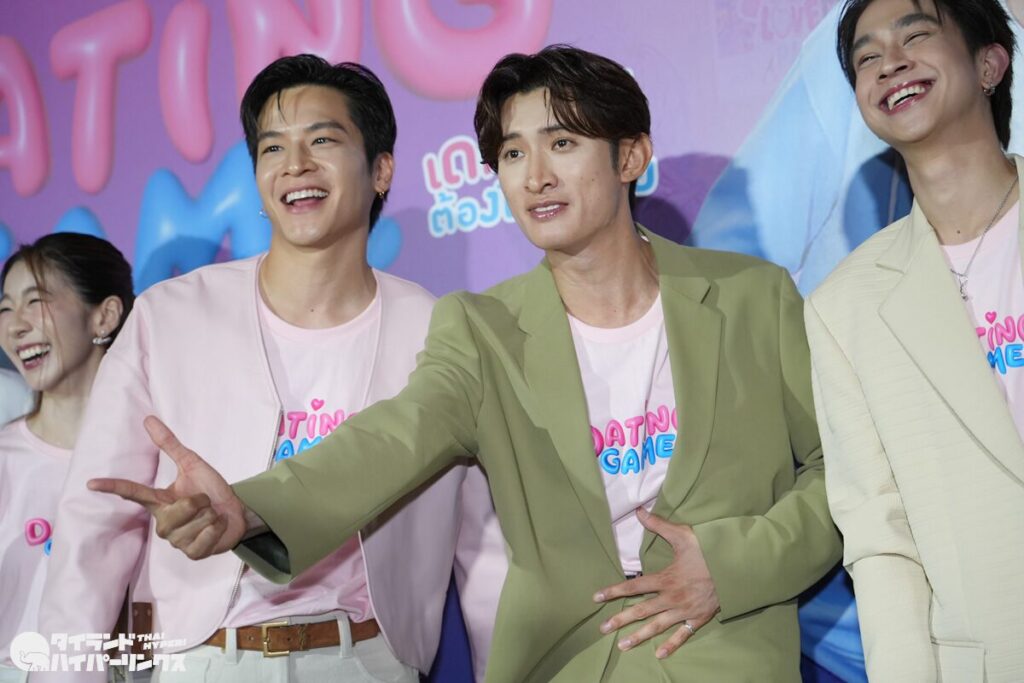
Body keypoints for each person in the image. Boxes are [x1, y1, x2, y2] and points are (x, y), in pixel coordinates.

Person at [93, 45, 842, 682]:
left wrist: (732, 565)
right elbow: (390, 438)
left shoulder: (753, 298)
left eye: (562, 143)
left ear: (631, 156)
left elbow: (837, 471)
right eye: (512, 154)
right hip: (565, 662)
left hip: (724, 653)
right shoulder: (483, 328)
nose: (535, 175)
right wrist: (253, 507)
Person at [37, 55, 496, 683]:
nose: (295, 164)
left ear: (381, 169)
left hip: (367, 661)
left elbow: (485, 546)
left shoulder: (437, 328)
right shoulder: (171, 315)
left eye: (323, 140)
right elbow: (94, 524)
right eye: (273, 147)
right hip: (202, 661)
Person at [804, 0, 1024, 680]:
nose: (889, 64)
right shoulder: (846, 304)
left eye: (916, 36)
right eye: (866, 57)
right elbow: (881, 538)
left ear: (990, 63)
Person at [0, 233, 134, 682]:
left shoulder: (153, 459)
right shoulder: (6, 459)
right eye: (4, 308)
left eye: (35, 302)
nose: (14, 326)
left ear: (104, 316)